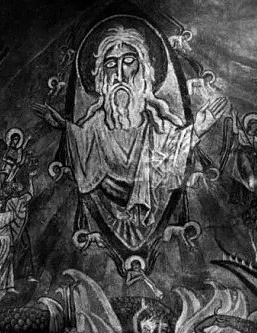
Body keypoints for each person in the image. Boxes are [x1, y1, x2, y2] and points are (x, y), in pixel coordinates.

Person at [33, 26, 227, 248]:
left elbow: (174, 151)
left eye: (128, 61)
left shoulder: (158, 129)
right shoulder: (92, 130)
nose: (120, 74)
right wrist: (62, 126)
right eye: (111, 64)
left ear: (144, 71)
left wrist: (199, 128)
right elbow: (80, 142)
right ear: (101, 77)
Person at [0, 170, 36, 296]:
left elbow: (29, 195)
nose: (0, 204)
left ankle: (9, 286)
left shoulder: (9, 209)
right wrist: (21, 206)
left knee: (8, 264)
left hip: (8, 240)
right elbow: (14, 214)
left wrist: (30, 179)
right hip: (0, 243)